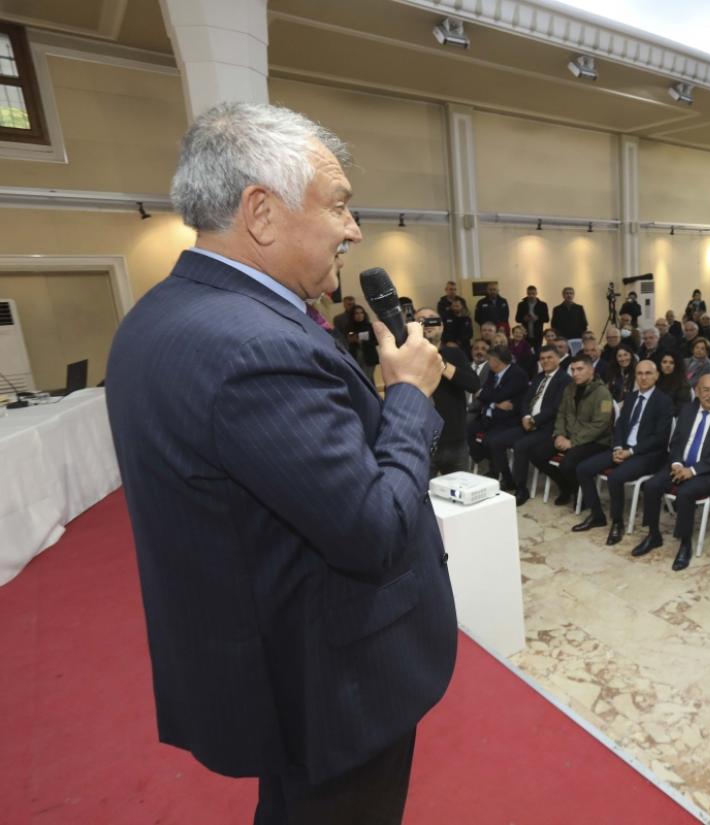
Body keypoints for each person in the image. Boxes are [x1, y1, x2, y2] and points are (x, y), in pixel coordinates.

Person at [106, 102, 454, 825]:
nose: (354, 230)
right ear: (261, 212)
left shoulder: (160, 315)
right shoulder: (254, 347)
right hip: (331, 681)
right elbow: (373, 531)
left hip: (266, 652)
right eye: (339, 205)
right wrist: (408, 396)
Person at [632, 375, 710, 571]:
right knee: (651, 486)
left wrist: (692, 470)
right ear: (697, 392)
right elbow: (675, 442)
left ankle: (685, 543)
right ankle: (653, 535)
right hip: (680, 465)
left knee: (685, 493)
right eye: (706, 390)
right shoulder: (687, 410)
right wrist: (676, 464)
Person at [572, 360, 674, 545]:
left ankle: (617, 522)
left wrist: (631, 452)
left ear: (656, 376)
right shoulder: (632, 397)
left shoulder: (664, 401)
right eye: (640, 374)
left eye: (648, 373)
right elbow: (619, 426)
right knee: (583, 469)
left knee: (616, 478)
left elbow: (660, 438)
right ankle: (597, 515)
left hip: (648, 454)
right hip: (623, 448)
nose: (643, 378)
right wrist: (619, 447)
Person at [527, 353, 612, 506]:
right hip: (569, 436)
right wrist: (559, 434)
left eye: (580, 369)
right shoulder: (570, 388)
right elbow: (561, 414)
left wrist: (573, 442)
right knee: (536, 454)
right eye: (573, 370)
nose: (575, 373)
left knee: (567, 464)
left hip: (596, 441)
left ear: (591, 370)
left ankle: (581, 493)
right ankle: (567, 487)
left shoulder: (603, 394)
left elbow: (601, 425)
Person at [415, 308, 483, 476]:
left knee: (459, 490)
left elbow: (473, 384)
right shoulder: (407, 358)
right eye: (421, 320)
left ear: (442, 326)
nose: (427, 323)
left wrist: (441, 363)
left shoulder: (454, 354)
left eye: (432, 319)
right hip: (421, 442)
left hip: (455, 441)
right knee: (421, 491)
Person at [501, 346, 571, 505]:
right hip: (528, 423)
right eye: (543, 358)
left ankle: (521, 490)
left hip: (547, 427)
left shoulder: (565, 380)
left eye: (549, 357)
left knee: (521, 447)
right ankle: (508, 480)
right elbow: (526, 400)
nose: (545, 361)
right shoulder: (539, 377)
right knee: (497, 441)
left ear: (558, 359)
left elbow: (556, 408)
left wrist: (534, 421)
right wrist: (526, 416)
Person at [465, 346, 530, 470]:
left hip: (507, 419)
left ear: (496, 360)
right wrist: (495, 403)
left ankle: (498, 473)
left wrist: (487, 396)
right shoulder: (492, 372)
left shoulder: (518, 374)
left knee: (490, 441)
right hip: (489, 414)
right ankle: (482, 459)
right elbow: (487, 395)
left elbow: (497, 395)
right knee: (467, 430)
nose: (487, 362)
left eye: (489, 359)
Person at [344, 305, 379, 384]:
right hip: (355, 355)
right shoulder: (349, 327)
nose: (359, 315)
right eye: (356, 313)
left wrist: (362, 341)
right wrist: (351, 340)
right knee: (366, 380)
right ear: (353, 315)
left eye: (361, 313)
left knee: (366, 379)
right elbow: (345, 341)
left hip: (368, 356)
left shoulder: (370, 326)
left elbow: (376, 341)